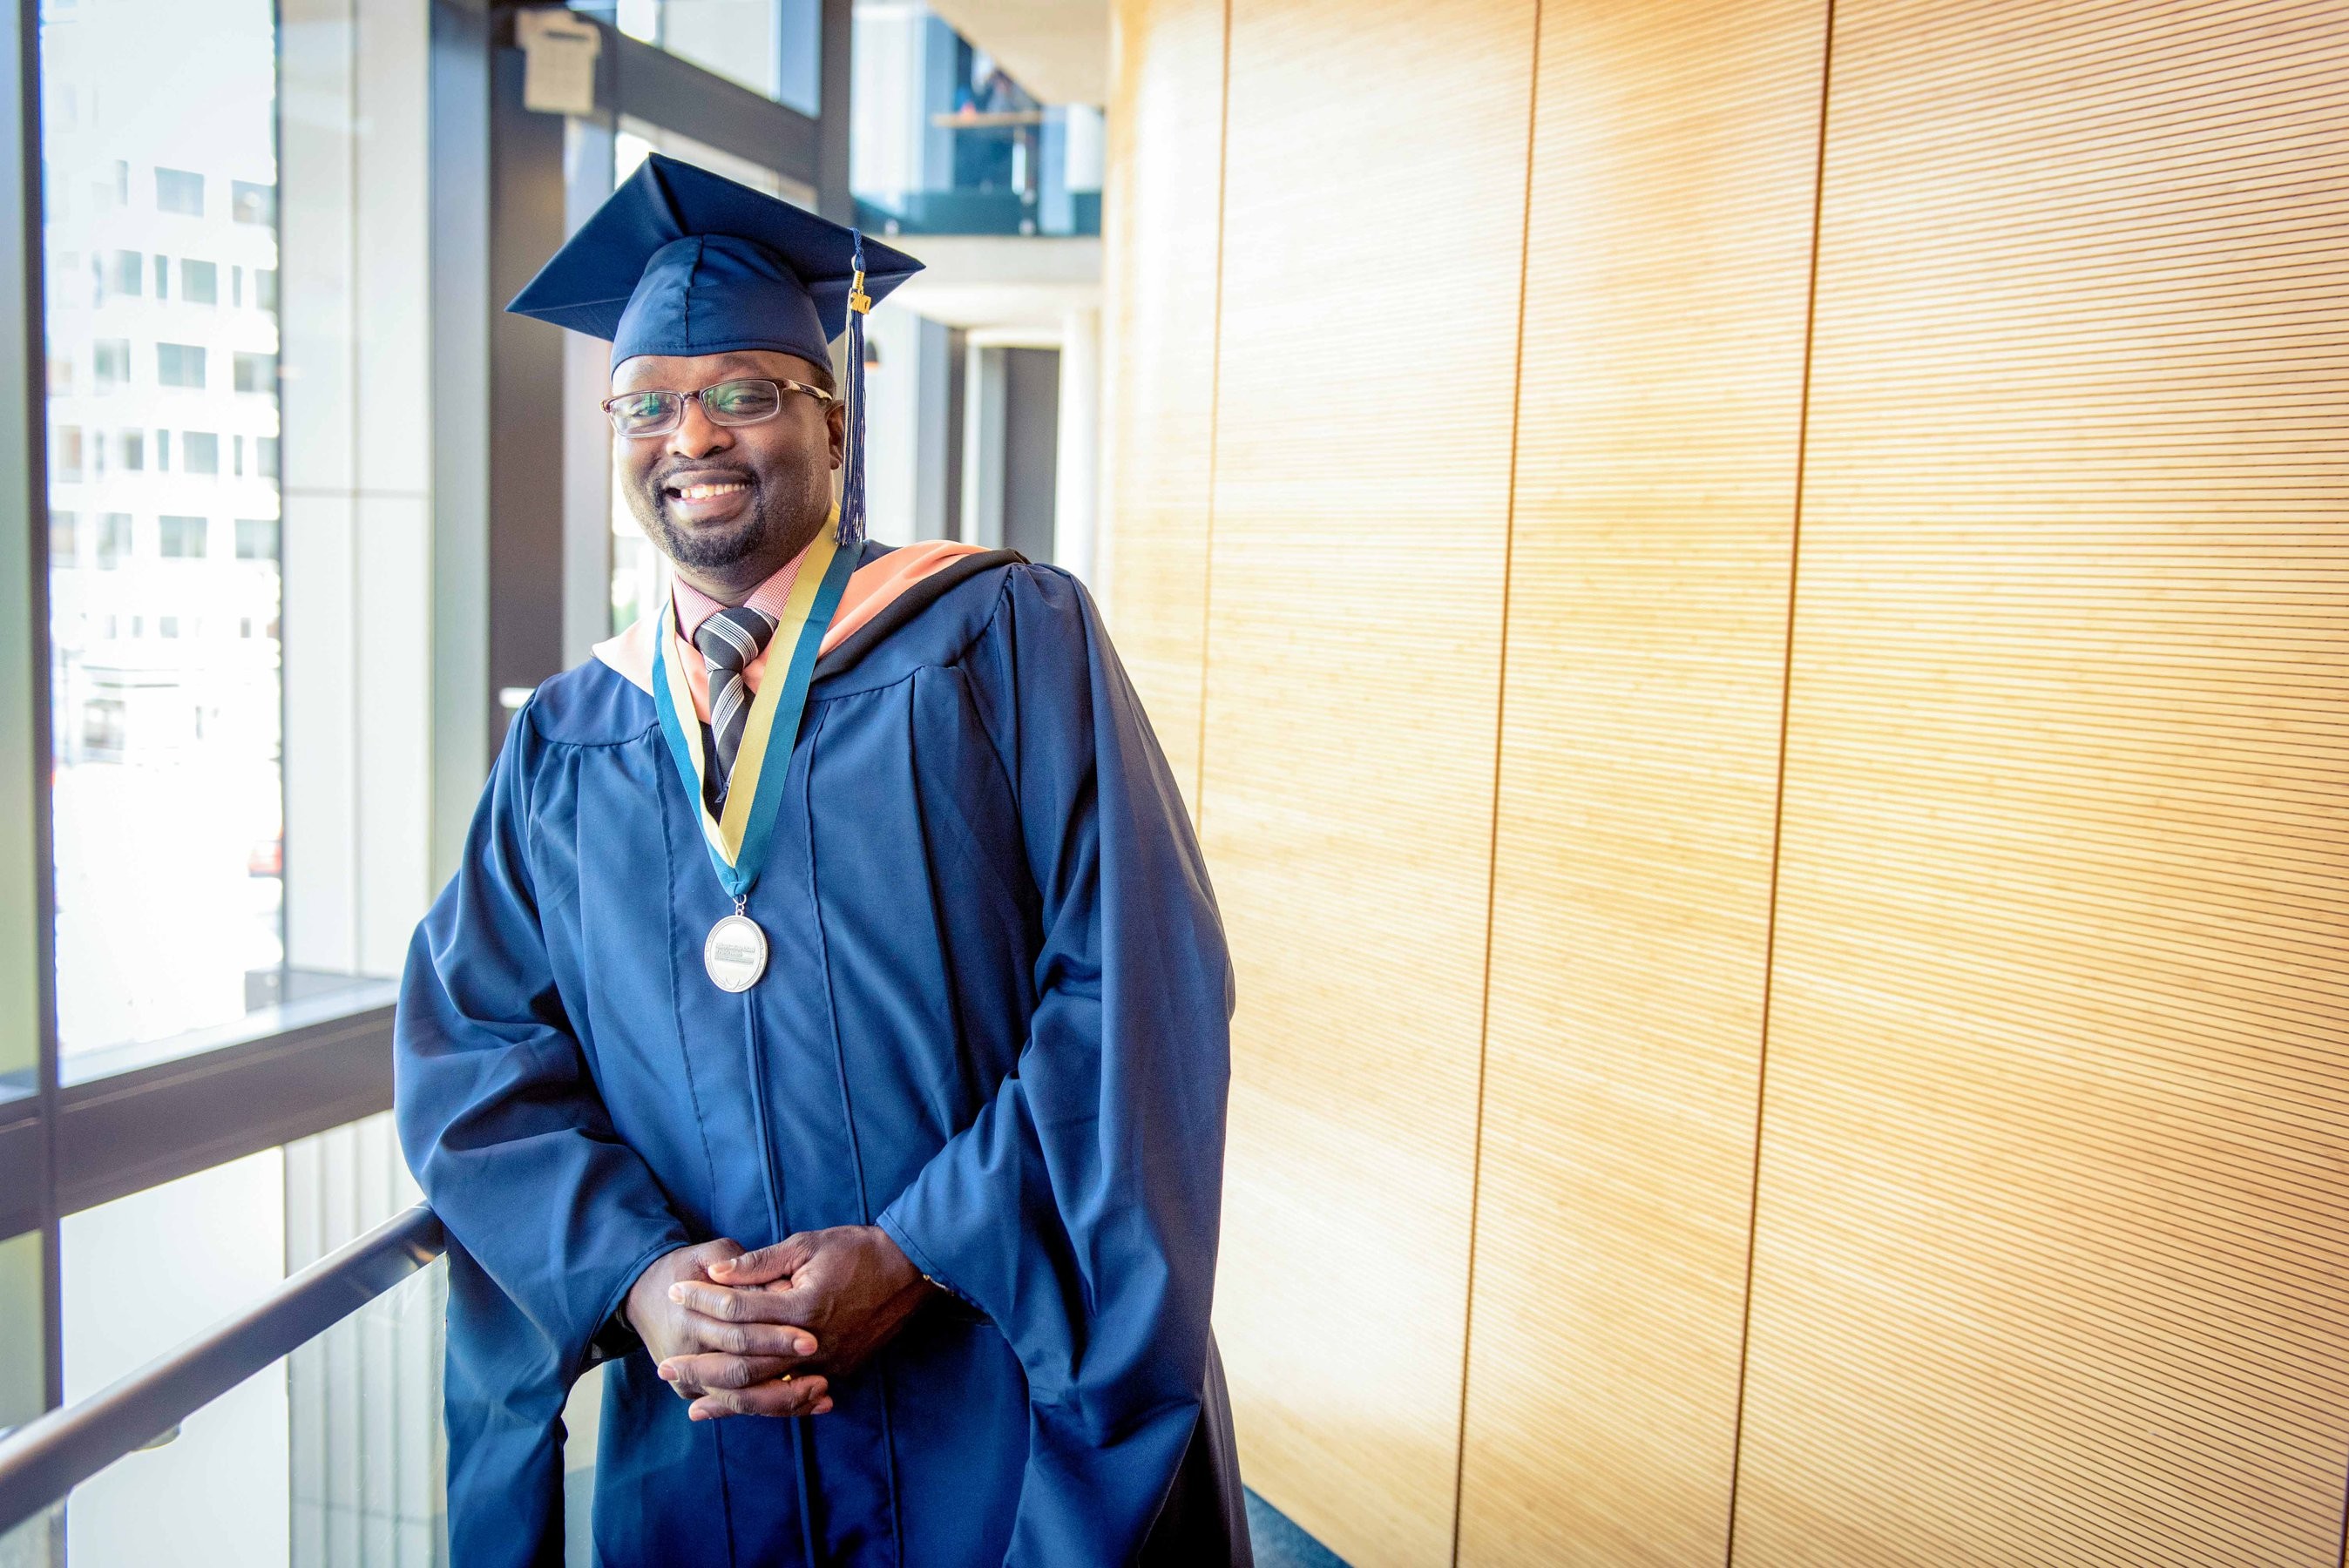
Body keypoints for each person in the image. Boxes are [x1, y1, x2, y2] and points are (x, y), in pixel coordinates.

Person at [395, 152, 1249, 1567]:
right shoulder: (570, 735)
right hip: (708, 1427)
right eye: (648, 405)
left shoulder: (1002, 640)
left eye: (744, 393)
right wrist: (640, 1278)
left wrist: (924, 1251)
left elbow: (1135, 993)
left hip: (993, 1390)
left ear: (832, 427)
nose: (694, 437)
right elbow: (475, 1047)